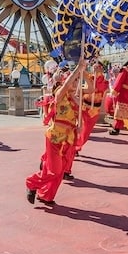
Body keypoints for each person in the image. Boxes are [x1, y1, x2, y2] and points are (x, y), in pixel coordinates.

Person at [26, 58, 86, 206]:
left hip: (68, 139)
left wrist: (79, 126)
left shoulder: (74, 100)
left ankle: (46, 195)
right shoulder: (59, 94)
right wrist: (78, 69)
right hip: (55, 137)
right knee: (55, 170)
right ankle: (31, 183)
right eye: (72, 81)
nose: (75, 83)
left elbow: (81, 114)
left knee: (58, 172)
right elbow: (65, 86)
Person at [74, 60, 109, 156]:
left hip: (93, 110)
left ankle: (77, 146)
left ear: (102, 68)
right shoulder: (89, 77)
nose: (95, 68)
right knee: (77, 127)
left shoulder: (105, 82)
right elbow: (83, 86)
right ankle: (72, 146)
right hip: (83, 106)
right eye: (94, 67)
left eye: (97, 67)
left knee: (86, 131)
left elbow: (96, 89)